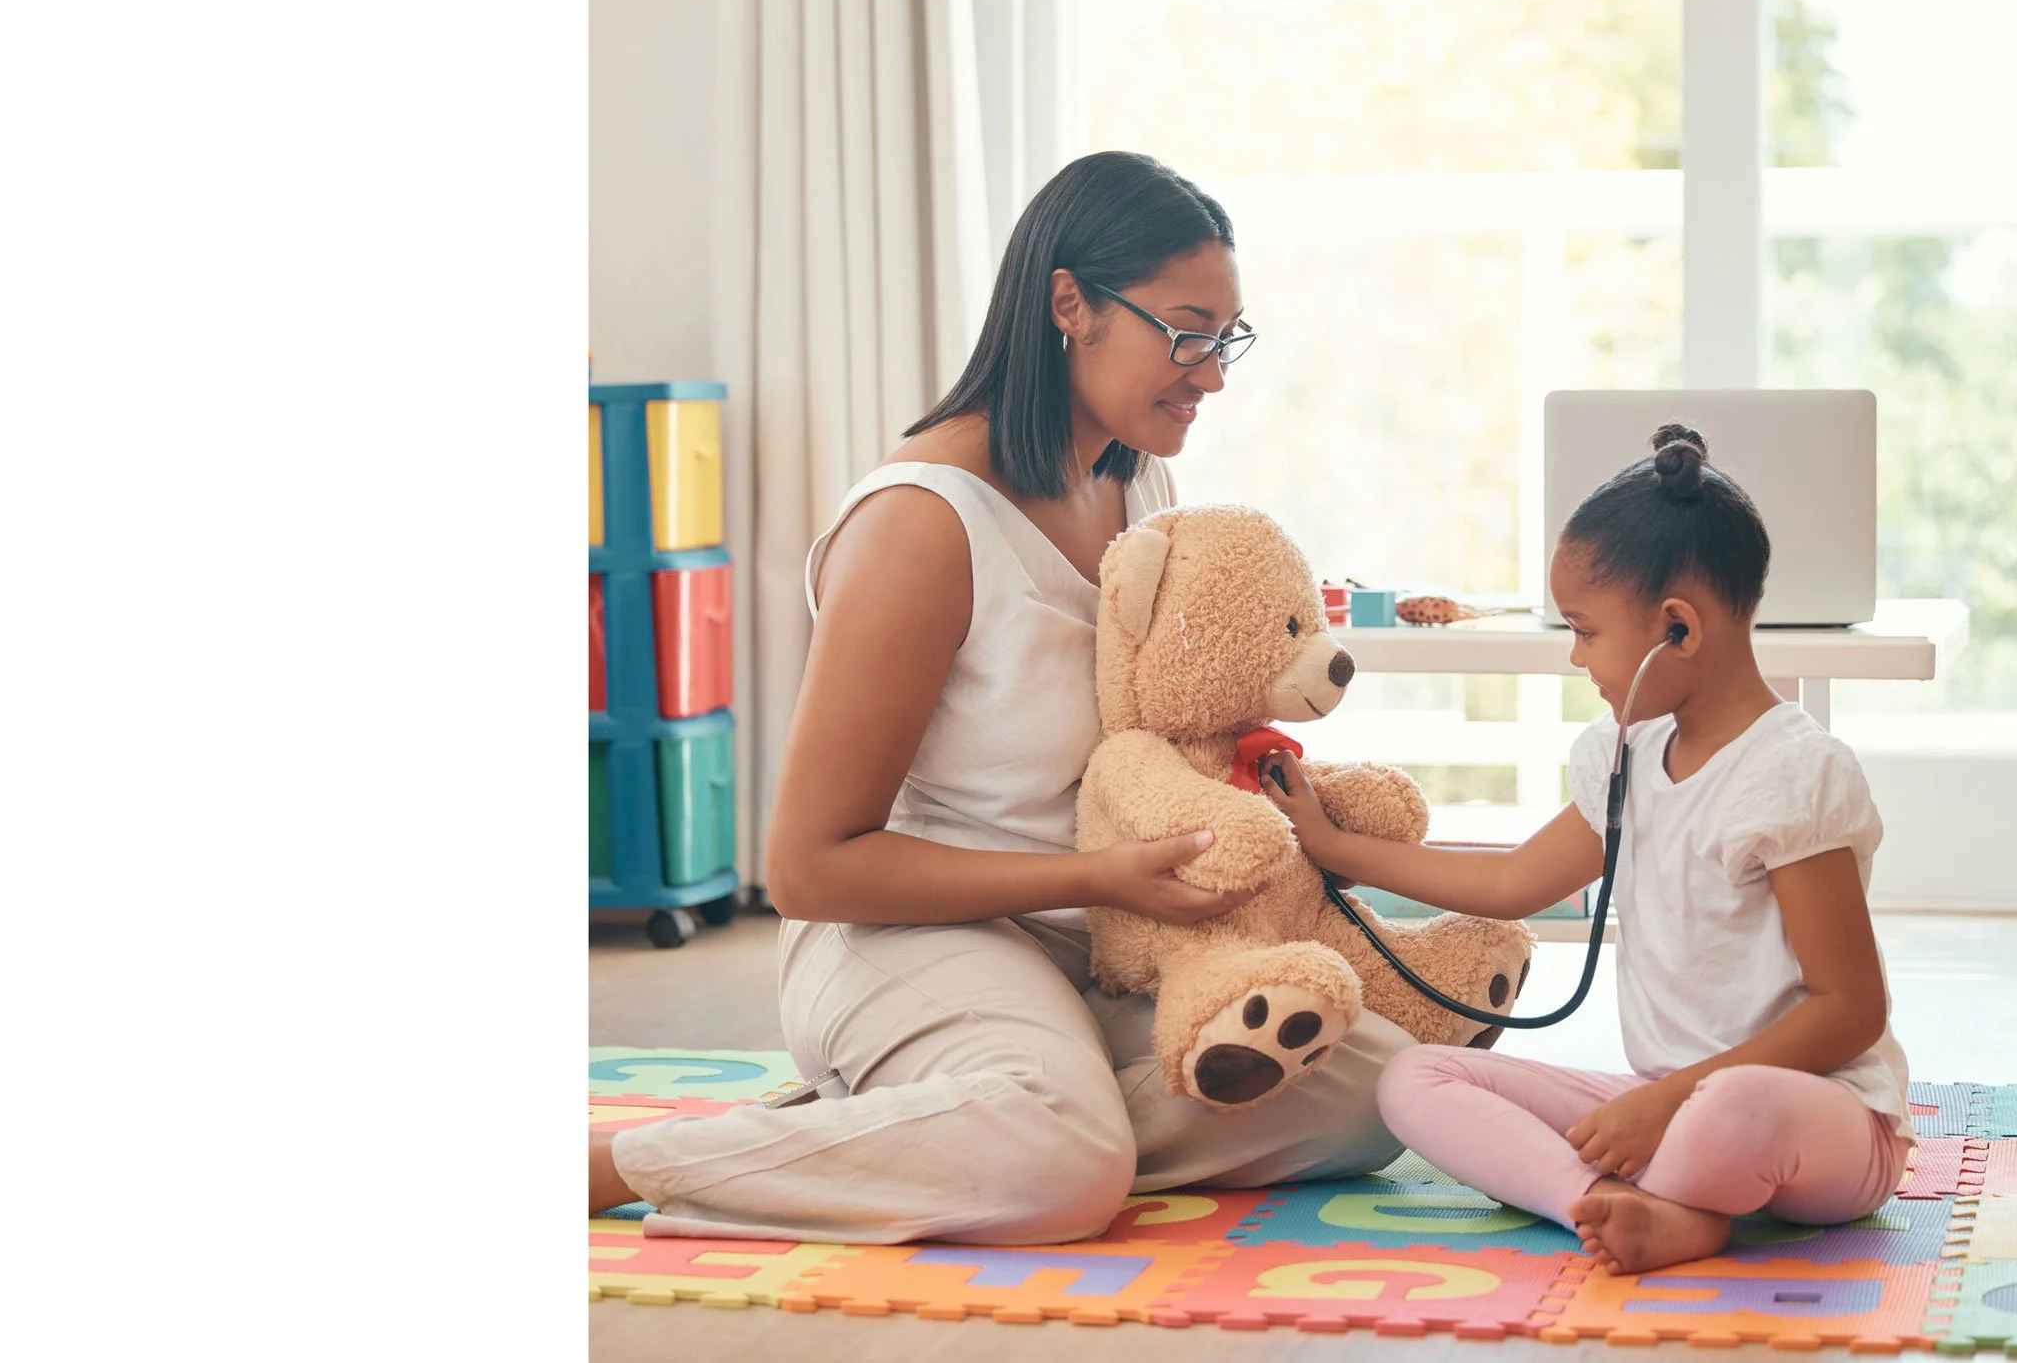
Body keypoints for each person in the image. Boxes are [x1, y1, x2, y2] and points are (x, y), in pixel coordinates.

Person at [587, 151, 1411, 1246]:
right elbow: (809, 866)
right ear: (1069, 301)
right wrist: (1089, 874)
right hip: (906, 933)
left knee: (1378, 1082)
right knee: (1059, 1166)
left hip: (1102, 935)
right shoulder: (921, 525)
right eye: (1186, 330)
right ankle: (620, 1163)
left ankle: (942, 1121)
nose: (1211, 373)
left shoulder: (1138, 481)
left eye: (1227, 337)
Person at [1262, 423, 1910, 1275]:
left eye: (1585, 631)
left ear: (1677, 628)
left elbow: (1851, 1009)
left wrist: (1675, 1102)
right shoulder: (1622, 754)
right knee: (1416, 1078)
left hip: (1812, 1117)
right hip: (1665, 1107)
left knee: (1733, 1109)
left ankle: (1669, 1193)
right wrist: (1332, 843)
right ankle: (1608, 1208)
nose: (1576, 657)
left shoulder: (1791, 775)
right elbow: (1510, 880)